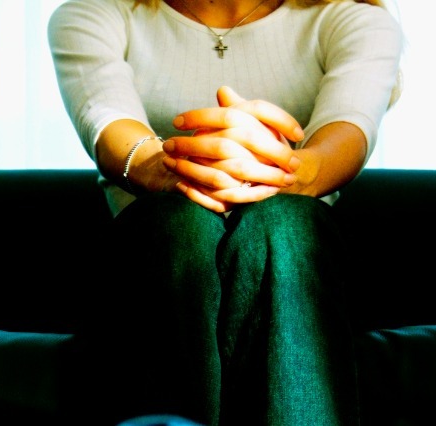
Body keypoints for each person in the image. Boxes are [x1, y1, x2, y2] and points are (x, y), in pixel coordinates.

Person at [47, 0, 403, 424]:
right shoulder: (94, 14)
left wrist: (277, 169)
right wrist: (173, 167)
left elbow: (346, 132)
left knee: (280, 222)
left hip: (294, 262)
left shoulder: (354, 19)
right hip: (156, 258)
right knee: (182, 222)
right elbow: (109, 127)